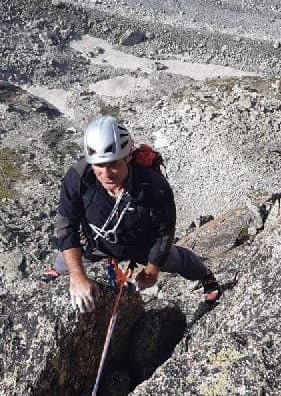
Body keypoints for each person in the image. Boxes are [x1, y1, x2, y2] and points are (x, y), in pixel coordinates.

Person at [43, 115, 220, 312]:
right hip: (95, 241)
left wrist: (152, 271)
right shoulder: (78, 177)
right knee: (63, 261)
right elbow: (66, 225)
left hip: (140, 242)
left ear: (128, 157)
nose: (106, 173)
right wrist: (77, 276)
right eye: (99, 165)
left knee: (177, 260)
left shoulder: (154, 186)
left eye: (113, 164)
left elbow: (164, 233)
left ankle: (206, 277)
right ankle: (56, 271)